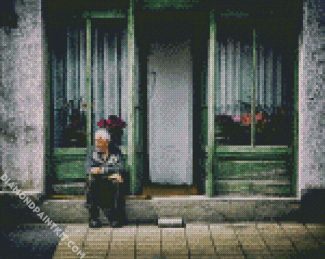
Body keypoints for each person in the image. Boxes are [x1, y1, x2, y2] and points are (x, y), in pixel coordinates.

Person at [85, 128, 126, 228]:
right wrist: (108, 172)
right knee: (91, 181)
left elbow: (121, 167)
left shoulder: (115, 151)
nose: (97, 144)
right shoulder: (92, 152)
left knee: (118, 181)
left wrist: (102, 170)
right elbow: (89, 169)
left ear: (107, 142)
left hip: (110, 182)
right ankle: (93, 218)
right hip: (98, 181)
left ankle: (115, 218)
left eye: (99, 141)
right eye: (96, 141)